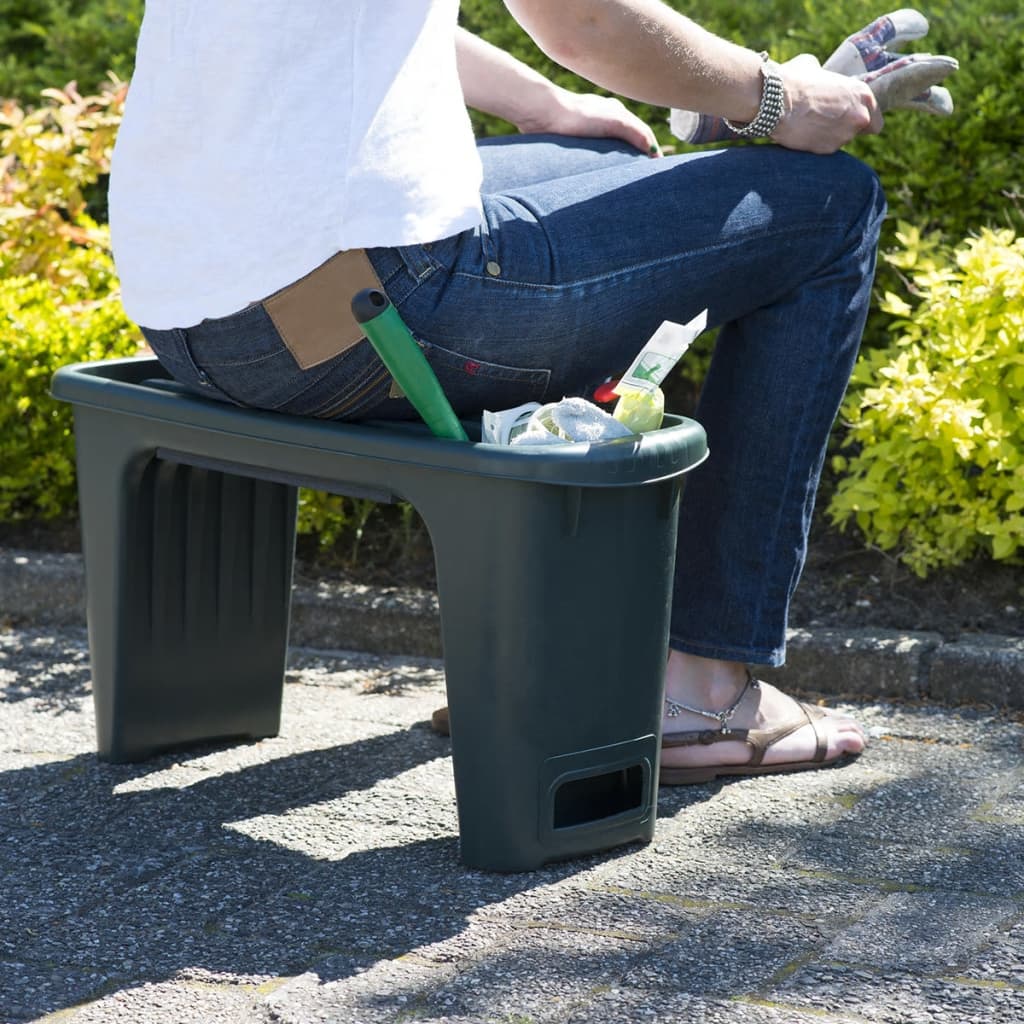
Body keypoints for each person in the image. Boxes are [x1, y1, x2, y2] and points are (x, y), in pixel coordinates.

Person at [109, 0, 888, 784]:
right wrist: (777, 98)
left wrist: (542, 105)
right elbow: (586, 22)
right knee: (832, 204)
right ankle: (705, 692)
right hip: (365, 313)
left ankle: (561, 657)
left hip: (188, 316)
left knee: (623, 162)